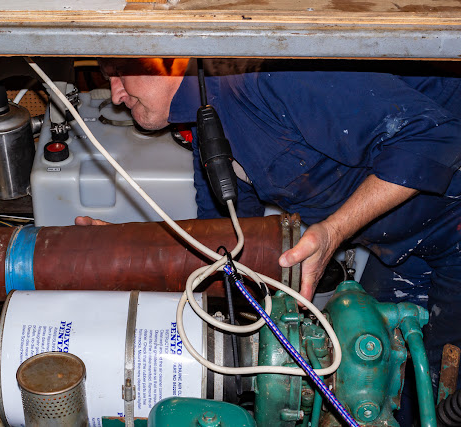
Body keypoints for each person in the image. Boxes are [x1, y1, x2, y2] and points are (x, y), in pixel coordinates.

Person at [77, 57, 461, 403]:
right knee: (380, 368)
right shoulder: (207, 120)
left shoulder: (275, 76)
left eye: (119, 72)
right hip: (406, 245)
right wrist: (131, 250)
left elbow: (432, 138)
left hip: (453, 220)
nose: (115, 95)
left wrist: (335, 230)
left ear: (171, 58)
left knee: (438, 391)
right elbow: (226, 245)